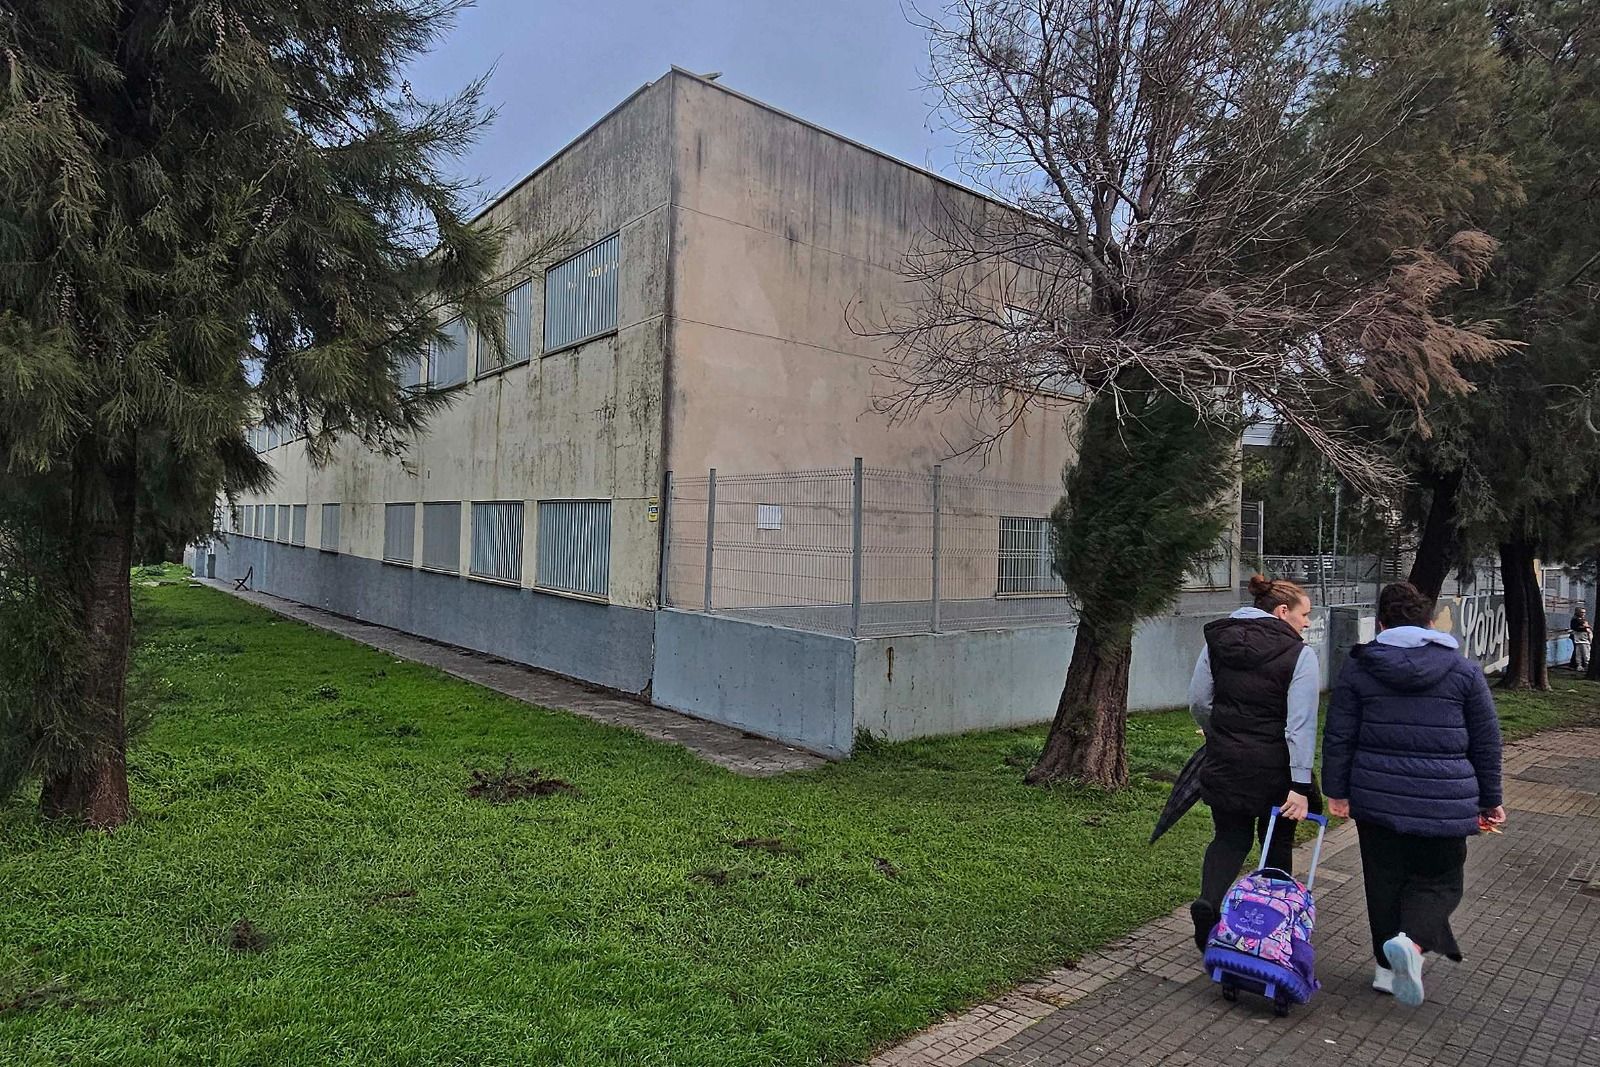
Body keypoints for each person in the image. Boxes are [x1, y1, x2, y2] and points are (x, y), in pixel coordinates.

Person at [1323, 581, 1505, 1007]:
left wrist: (1337, 791)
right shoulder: (1463, 670)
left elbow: (1339, 734)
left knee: (1383, 881)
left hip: (1376, 798)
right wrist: (1491, 798)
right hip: (1444, 800)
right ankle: (1415, 943)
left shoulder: (1360, 668)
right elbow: (1486, 741)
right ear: (1430, 621)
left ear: (1381, 623)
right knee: (1441, 880)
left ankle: (1386, 971)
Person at [1186, 575, 1320, 952]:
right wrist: (1300, 784)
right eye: (1304, 614)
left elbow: (1199, 701)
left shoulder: (1218, 641)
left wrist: (1216, 732)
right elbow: (1299, 726)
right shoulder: (1299, 655)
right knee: (1276, 841)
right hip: (1276, 767)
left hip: (1226, 759)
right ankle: (1268, 931)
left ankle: (1209, 902)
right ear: (1282, 611)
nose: (1307, 622)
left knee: (1230, 837)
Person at [1570, 606, 1591, 672]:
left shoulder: (1582, 619)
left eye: (1584, 612)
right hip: (1579, 638)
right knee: (1579, 653)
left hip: (1583, 638)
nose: (1583, 614)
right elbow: (1575, 628)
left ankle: (1581, 665)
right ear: (1578, 612)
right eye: (1582, 612)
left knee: (1584, 652)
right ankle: (1577, 665)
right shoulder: (1575, 619)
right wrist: (1585, 628)